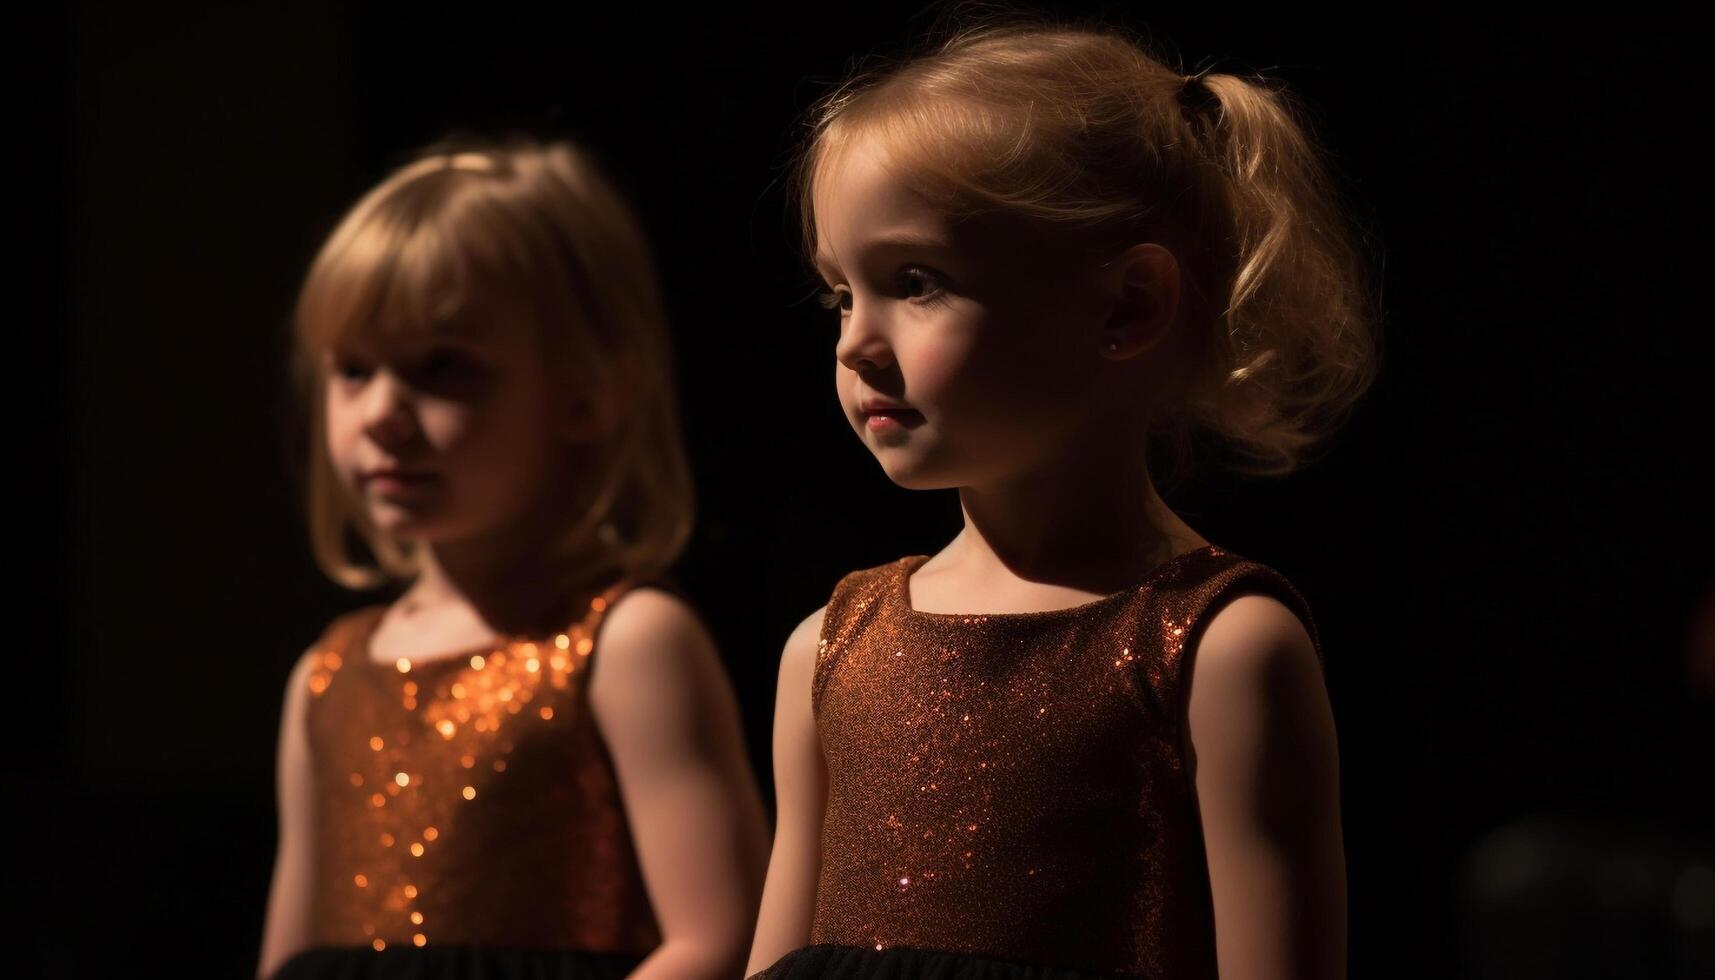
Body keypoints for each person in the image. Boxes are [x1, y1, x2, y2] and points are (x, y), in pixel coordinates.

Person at [748, 18, 1376, 980]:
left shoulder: (1219, 647)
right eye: (841, 293)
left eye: (914, 283)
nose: (854, 344)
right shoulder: (830, 648)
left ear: (1126, 304)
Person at [256, 139, 770, 980]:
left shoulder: (628, 642)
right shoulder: (326, 674)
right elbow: (290, 956)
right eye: (353, 369)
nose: (381, 411)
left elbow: (722, 935)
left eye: (442, 367)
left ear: (587, 392)